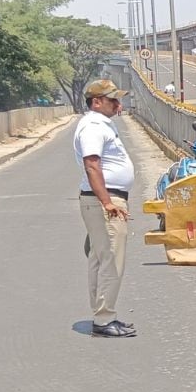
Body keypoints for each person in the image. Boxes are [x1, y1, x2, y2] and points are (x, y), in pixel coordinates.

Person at [75, 79, 136, 338]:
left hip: (105, 198)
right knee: (111, 259)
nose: (118, 105)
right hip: (105, 199)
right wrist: (107, 202)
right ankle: (103, 319)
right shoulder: (92, 127)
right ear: (96, 101)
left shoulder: (100, 125)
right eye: (112, 100)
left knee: (101, 258)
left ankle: (105, 315)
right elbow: (92, 165)